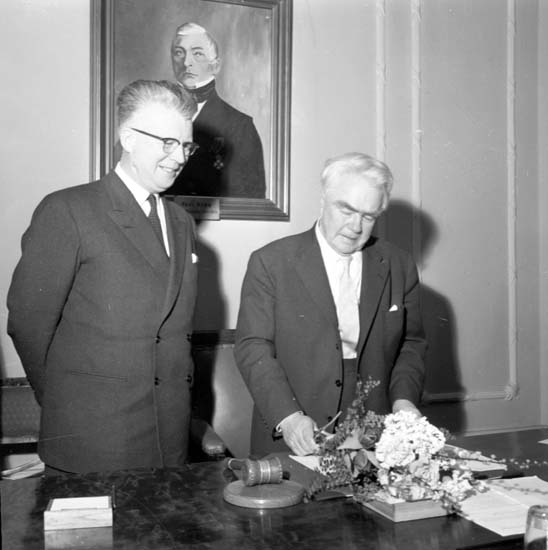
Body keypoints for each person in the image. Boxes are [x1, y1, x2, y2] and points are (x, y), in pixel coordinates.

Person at [7, 80, 200, 474]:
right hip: (94, 441)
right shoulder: (68, 210)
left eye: (186, 145)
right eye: (168, 142)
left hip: (170, 440)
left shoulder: (182, 222)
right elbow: (27, 325)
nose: (179, 157)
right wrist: (66, 403)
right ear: (128, 138)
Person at [235, 152, 427, 457]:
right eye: (346, 210)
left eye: (368, 216)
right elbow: (252, 347)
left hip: (375, 436)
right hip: (295, 430)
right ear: (323, 200)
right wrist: (289, 417)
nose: (355, 226)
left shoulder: (398, 264)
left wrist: (404, 401)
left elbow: (411, 344)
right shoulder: (270, 262)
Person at [166, 21, 266, 199]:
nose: (187, 62)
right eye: (179, 53)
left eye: (197, 54)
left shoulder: (240, 126)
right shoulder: (152, 116)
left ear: (216, 66)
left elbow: (251, 197)